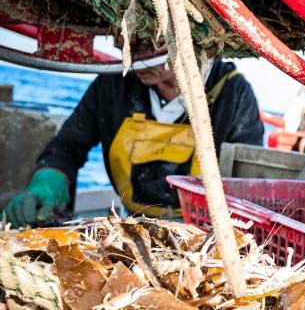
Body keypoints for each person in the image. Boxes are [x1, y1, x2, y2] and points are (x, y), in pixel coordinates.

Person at [2, 56, 263, 226]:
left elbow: (247, 184)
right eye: (127, 42)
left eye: (148, 44)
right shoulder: (114, 82)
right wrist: (47, 184)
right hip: (131, 223)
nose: (135, 55)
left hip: (203, 234)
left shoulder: (232, 92)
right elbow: (69, 146)